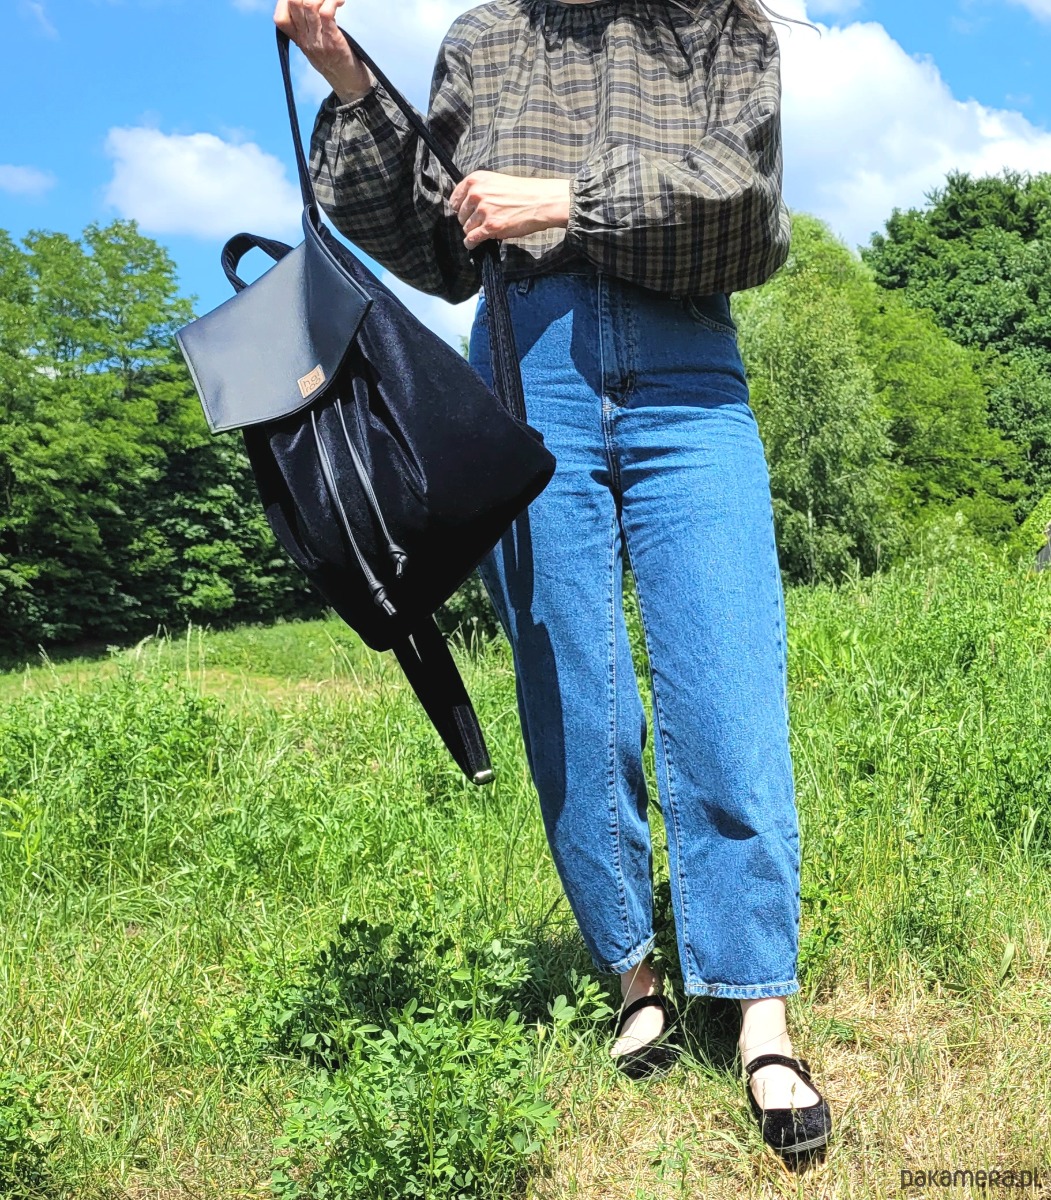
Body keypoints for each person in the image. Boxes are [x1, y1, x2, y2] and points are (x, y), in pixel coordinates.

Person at [275, 0, 832, 1158]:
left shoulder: (721, 32)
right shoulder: (485, 39)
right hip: (525, 372)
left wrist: (568, 202)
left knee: (728, 679)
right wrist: (343, 77)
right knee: (571, 686)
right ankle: (635, 978)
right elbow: (438, 249)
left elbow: (744, 205)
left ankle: (759, 1012)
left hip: (688, 370)